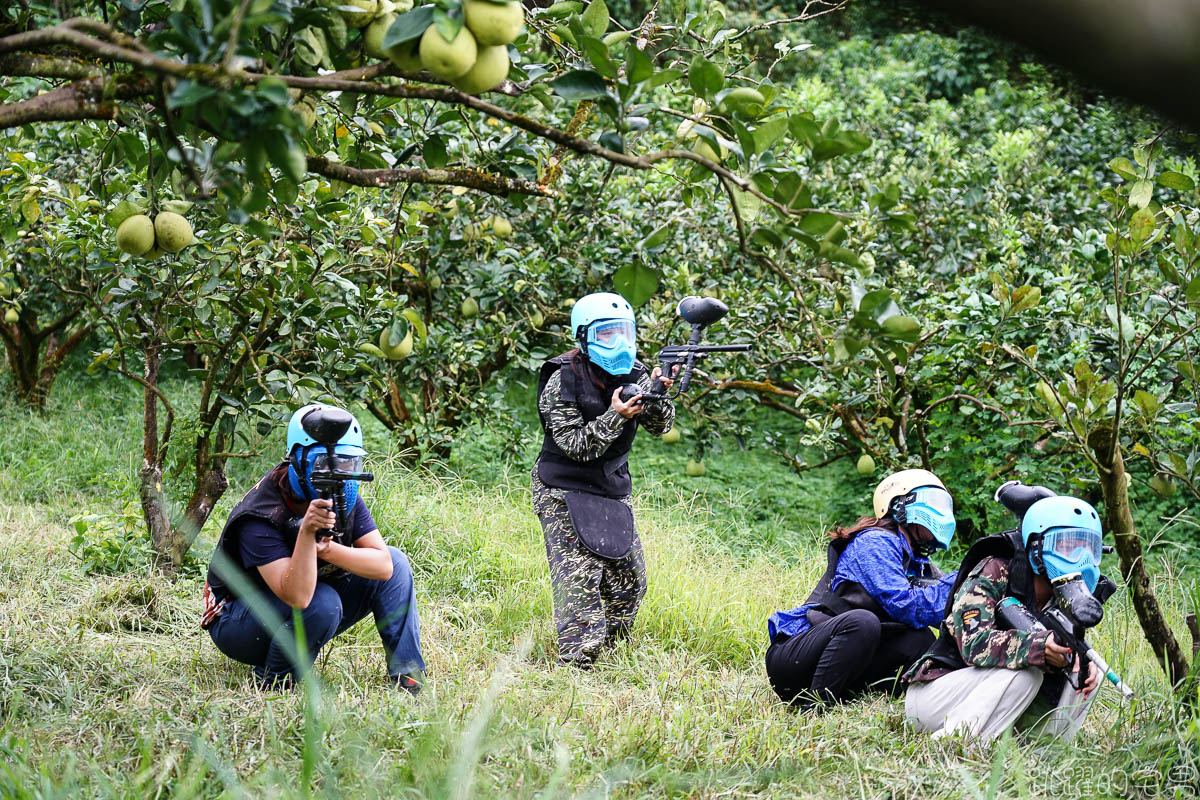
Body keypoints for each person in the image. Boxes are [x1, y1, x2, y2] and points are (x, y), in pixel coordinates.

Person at [200, 404, 425, 692]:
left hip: (295, 602)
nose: (338, 473)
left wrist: (329, 551)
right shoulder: (260, 515)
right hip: (237, 622)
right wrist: (306, 533)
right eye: (325, 465)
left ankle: (409, 678)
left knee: (397, 561)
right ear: (297, 460)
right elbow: (298, 596)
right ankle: (275, 681)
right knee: (322, 603)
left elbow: (384, 567)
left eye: (348, 464)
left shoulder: (342, 490)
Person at [532, 292, 676, 669]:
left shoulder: (636, 373)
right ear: (583, 337)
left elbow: (661, 427)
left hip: (611, 486)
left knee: (629, 579)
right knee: (579, 584)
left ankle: (612, 656)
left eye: (625, 334)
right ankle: (576, 669)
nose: (620, 344)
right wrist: (616, 415)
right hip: (561, 486)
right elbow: (576, 447)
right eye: (607, 335)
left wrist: (658, 395)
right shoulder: (560, 378)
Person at [904, 494, 1108, 741]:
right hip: (934, 696)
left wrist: (1079, 660)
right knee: (1027, 672)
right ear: (1036, 546)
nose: (1081, 558)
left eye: (1089, 547)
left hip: (994, 700)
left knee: (1088, 673)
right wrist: (1038, 648)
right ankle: (954, 742)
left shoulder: (1066, 596)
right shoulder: (994, 571)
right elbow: (973, 643)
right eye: (1066, 545)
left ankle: (1046, 750)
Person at [765, 469, 959, 710]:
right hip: (792, 660)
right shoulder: (876, 541)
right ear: (899, 505)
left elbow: (946, 603)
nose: (942, 512)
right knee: (862, 622)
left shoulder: (919, 564)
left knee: (920, 640)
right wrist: (967, 577)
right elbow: (906, 605)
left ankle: (857, 699)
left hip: (844, 661)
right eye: (933, 502)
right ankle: (815, 709)